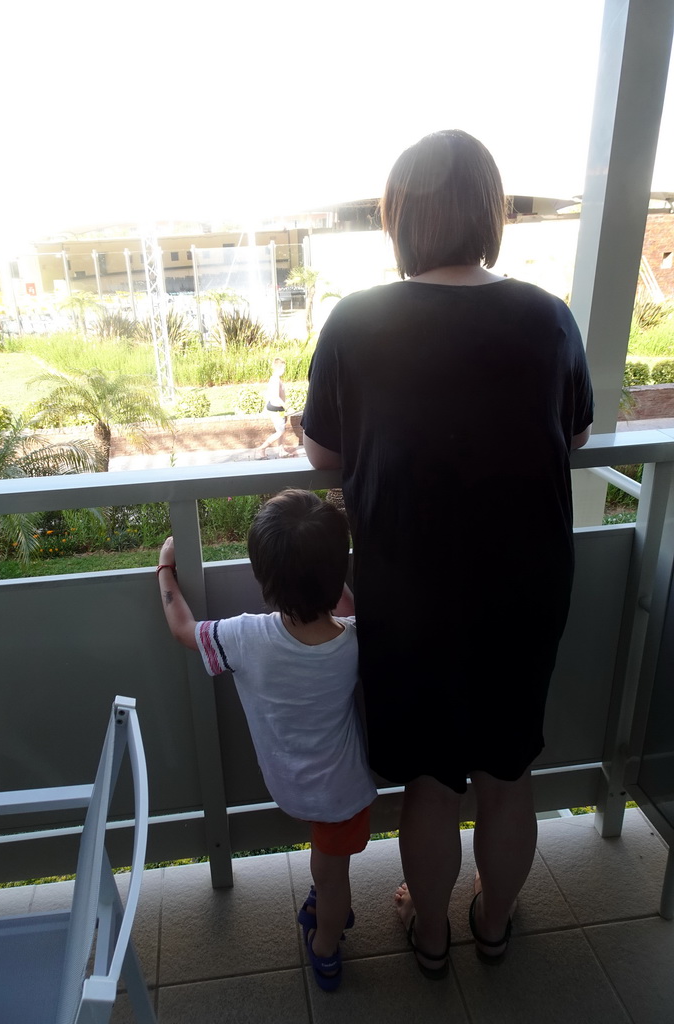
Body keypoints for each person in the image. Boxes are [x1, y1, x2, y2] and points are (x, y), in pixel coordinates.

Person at [301, 129, 594, 978]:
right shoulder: (546, 316)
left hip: (409, 591)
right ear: (487, 215)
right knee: (508, 770)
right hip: (526, 588)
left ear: (405, 220)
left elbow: (323, 450)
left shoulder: (358, 319)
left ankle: (430, 935)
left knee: (429, 779)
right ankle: (492, 923)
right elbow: (572, 432)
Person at [156, 488, 377, 991]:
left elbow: (183, 629)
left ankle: (325, 947)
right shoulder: (357, 638)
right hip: (340, 794)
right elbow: (343, 605)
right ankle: (328, 914)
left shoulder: (245, 636)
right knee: (331, 868)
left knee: (331, 876)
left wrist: (166, 571)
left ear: (263, 578)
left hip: (292, 785)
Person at [256, 357, 295, 457]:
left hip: (278, 409)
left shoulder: (275, 379)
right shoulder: (275, 380)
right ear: (280, 368)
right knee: (280, 431)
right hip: (276, 409)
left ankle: (281, 451)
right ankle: (261, 448)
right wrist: (287, 407)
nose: (284, 370)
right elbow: (276, 397)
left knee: (281, 430)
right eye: (284, 368)